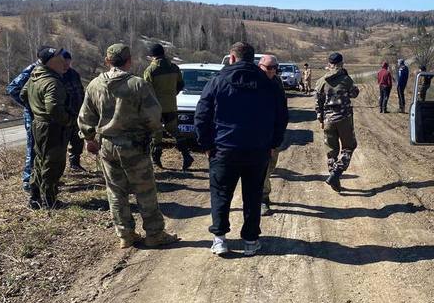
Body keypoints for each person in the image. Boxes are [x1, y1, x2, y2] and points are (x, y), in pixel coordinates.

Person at [78, 44, 179, 249]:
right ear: (129, 60)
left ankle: (125, 234)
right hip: (134, 145)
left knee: (115, 191)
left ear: (107, 61)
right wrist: (154, 132)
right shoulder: (137, 85)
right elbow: (153, 116)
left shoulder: (94, 85)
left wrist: (89, 138)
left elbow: (85, 117)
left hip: (107, 145)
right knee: (145, 190)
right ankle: (154, 233)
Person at [194, 42, 287, 257]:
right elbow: (281, 116)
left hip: (224, 149)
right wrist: (274, 143)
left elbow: (202, 115)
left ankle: (220, 240)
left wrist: (206, 145)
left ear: (232, 58)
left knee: (220, 194)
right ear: (252, 59)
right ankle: (251, 241)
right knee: (253, 196)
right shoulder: (269, 83)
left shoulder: (217, 81)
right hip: (258, 150)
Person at [20, 47, 73, 209]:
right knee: (53, 163)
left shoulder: (35, 77)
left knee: (39, 160)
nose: (63, 60)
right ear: (51, 61)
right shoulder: (52, 82)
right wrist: (69, 120)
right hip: (53, 127)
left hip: (39, 124)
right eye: (59, 57)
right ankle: (50, 200)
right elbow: (54, 109)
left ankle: (35, 197)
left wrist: (37, 110)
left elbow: (23, 94)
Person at [143, 43, 194, 171]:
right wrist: (171, 95)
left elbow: (146, 91)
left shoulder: (150, 70)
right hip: (171, 105)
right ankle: (187, 155)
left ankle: (156, 161)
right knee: (175, 131)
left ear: (152, 56)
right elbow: (181, 85)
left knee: (157, 134)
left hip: (156, 107)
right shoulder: (174, 68)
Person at [315, 52, 359, 192]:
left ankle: (334, 178)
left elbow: (318, 102)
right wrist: (347, 78)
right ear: (341, 64)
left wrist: (320, 118)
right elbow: (354, 93)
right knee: (349, 147)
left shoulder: (321, 81)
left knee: (331, 151)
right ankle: (336, 173)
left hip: (328, 120)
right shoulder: (345, 79)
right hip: (344, 119)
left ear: (329, 64)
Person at [258, 54, 289, 216]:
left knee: (269, 167)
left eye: (275, 68)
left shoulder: (277, 83)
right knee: (259, 170)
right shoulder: (253, 81)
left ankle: (262, 196)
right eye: (269, 68)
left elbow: (282, 112)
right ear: (260, 66)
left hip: (271, 135)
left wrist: (277, 138)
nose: (272, 71)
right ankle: (261, 198)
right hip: (254, 134)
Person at [6, 59, 40, 192]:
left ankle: (39, 178)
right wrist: (30, 104)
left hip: (43, 118)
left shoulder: (52, 70)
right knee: (32, 149)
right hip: (32, 116)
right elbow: (12, 88)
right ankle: (28, 181)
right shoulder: (33, 68)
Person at [61, 50, 85, 171]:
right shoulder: (56, 75)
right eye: (64, 63)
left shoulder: (74, 74)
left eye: (68, 63)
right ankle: (59, 169)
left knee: (77, 141)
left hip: (77, 113)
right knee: (61, 144)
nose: (66, 66)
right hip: (63, 116)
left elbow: (81, 90)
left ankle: (75, 163)